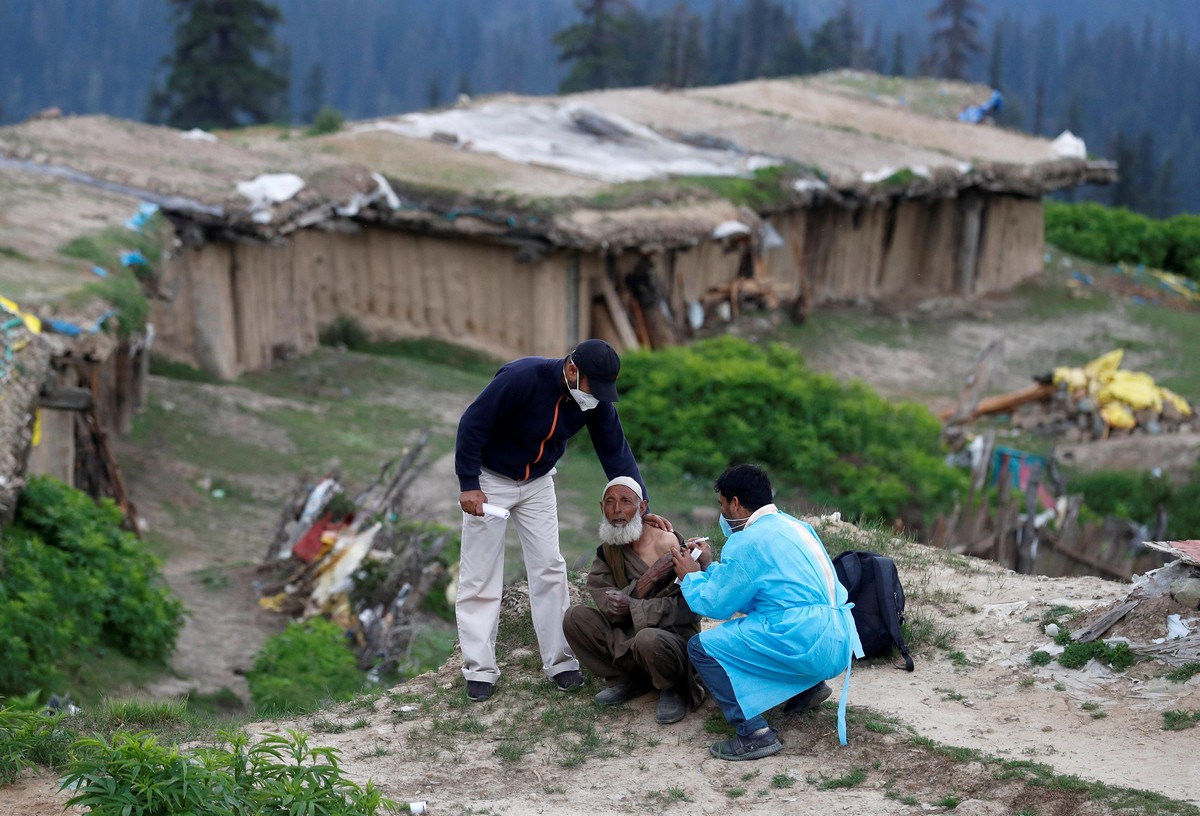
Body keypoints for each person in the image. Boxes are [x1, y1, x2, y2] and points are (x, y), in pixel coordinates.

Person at [455, 339, 660, 703]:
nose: (597, 397)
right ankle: (479, 670)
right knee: (481, 573)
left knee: (550, 566)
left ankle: (561, 663)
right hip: (491, 480)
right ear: (571, 370)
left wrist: (640, 502)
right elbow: (474, 422)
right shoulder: (521, 377)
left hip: (538, 484)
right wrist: (469, 483)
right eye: (593, 387)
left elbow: (614, 448)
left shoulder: (593, 400)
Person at [673, 464, 863, 761]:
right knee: (764, 622)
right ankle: (806, 689)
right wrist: (710, 567)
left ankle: (754, 734)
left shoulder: (747, 541)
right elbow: (758, 592)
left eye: (722, 505)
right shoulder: (796, 526)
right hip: (839, 640)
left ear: (735, 503)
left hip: (804, 642)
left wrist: (690, 576)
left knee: (702, 648)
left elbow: (716, 605)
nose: (722, 513)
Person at [563, 477, 705, 725]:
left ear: (642, 508)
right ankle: (630, 679)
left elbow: (689, 609)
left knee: (648, 638)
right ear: (601, 508)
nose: (616, 509)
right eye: (610, 502)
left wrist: (635, 606)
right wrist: (646, 582)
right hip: (629, 632)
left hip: (667, 637)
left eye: (626, 502)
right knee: (575, 618)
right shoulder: (607, 551)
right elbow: (609, 606)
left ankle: (672, 688)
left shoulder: (668, 544)